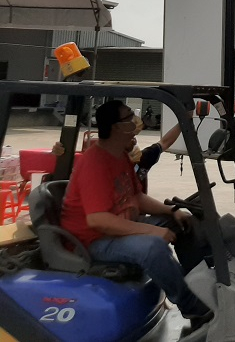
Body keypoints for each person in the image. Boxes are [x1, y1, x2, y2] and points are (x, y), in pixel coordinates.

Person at [59, 100, 212, 326]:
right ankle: (193, 307)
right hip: (93, 240)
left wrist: (172, 211)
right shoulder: (95, 163)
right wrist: (150, 230)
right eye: (129, 118)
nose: (135, 121)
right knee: (153, 247)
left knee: (181, 222)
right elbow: (98, 220)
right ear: (115, 127)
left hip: (117, 229)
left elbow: (137, 197)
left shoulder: (119, 155)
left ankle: (200, 283)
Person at [53, 115, 182, 194]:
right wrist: (60, 153)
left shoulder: (142, 159)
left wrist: (184, 121)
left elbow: (165, 142)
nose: (133, 139)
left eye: (134, 136)